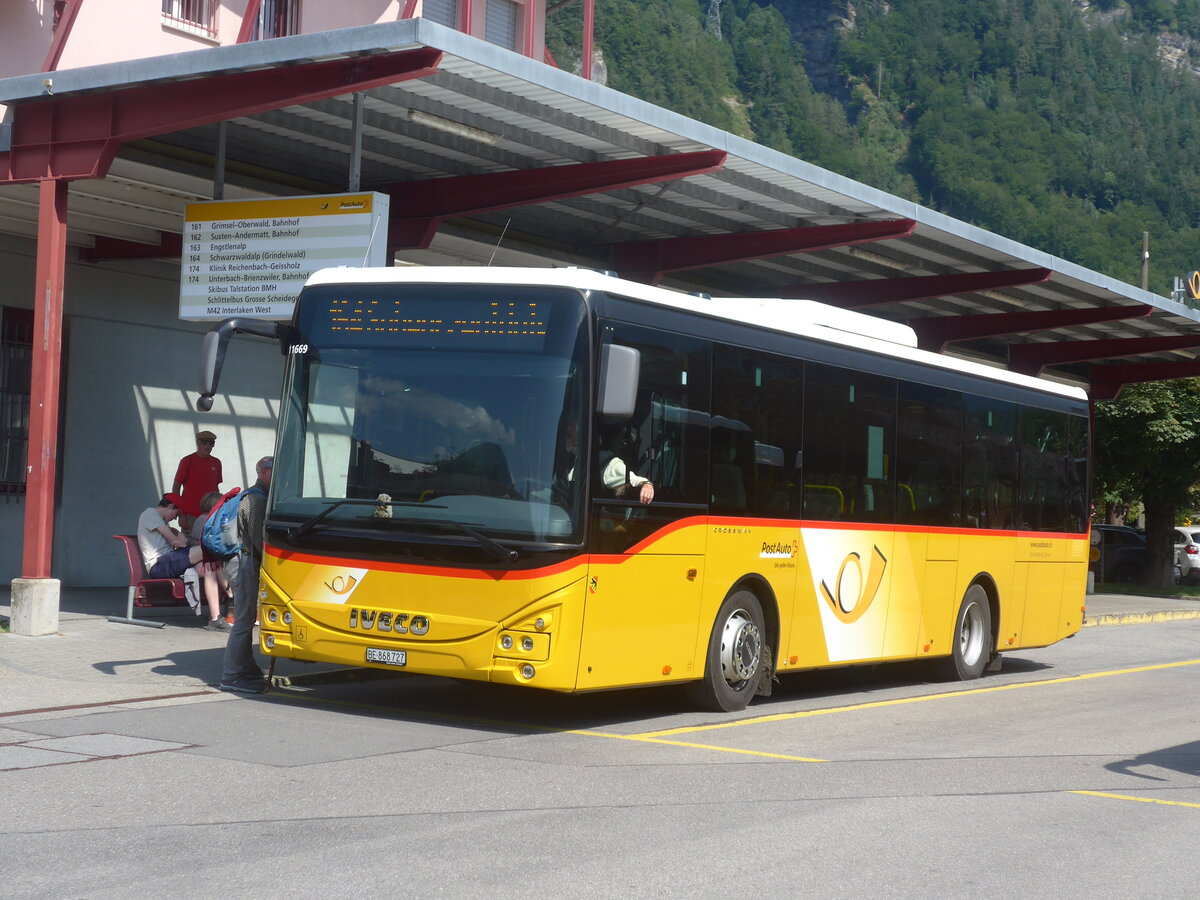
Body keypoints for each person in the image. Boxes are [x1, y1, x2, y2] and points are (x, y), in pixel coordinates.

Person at [137, 493, 230, 631]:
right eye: (177, 514)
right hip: (159, 565)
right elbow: (176, 542)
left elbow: (177, 541)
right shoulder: (150, 513)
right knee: (209, 549)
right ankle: (231, 593)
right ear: (169, 506)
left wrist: (179, 537)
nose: (176, 518)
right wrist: (180, 538)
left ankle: (215, 618)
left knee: (209, 566)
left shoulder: (160, 522)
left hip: (171, 561)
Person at [220, 455, 272, 694]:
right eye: (274, 471)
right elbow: (258, 539)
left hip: (239, 561)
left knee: (247, 617)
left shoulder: (252, 495)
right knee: (243, 621)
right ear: (263, 472)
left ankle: (246, 667)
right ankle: (231, 676)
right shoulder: (257, 500)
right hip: (243, 562)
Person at [191, 490, 234, 623]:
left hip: (206, 557)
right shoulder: (207, 520)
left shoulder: (203, 518)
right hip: (204, 558)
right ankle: (231, 594)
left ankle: (231, 594)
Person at [172, 430, 223, 533]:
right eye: (204, 442)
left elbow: (215, 489)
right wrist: (180, 513)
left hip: (210, 515)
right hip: (190, 515)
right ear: (197, 442)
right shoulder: (187, 461)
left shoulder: (216, 463)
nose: (208, 446)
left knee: (209, 545)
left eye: (211, 443)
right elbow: (176, 487)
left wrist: (218, 510)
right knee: (189, 545)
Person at [599, 424, 654, 504]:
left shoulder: (598, 456)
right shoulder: (612, 463)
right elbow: (634, 480)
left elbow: (633, 480)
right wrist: (647, 485)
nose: (626, 444)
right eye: (627, 440)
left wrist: (646, 485)